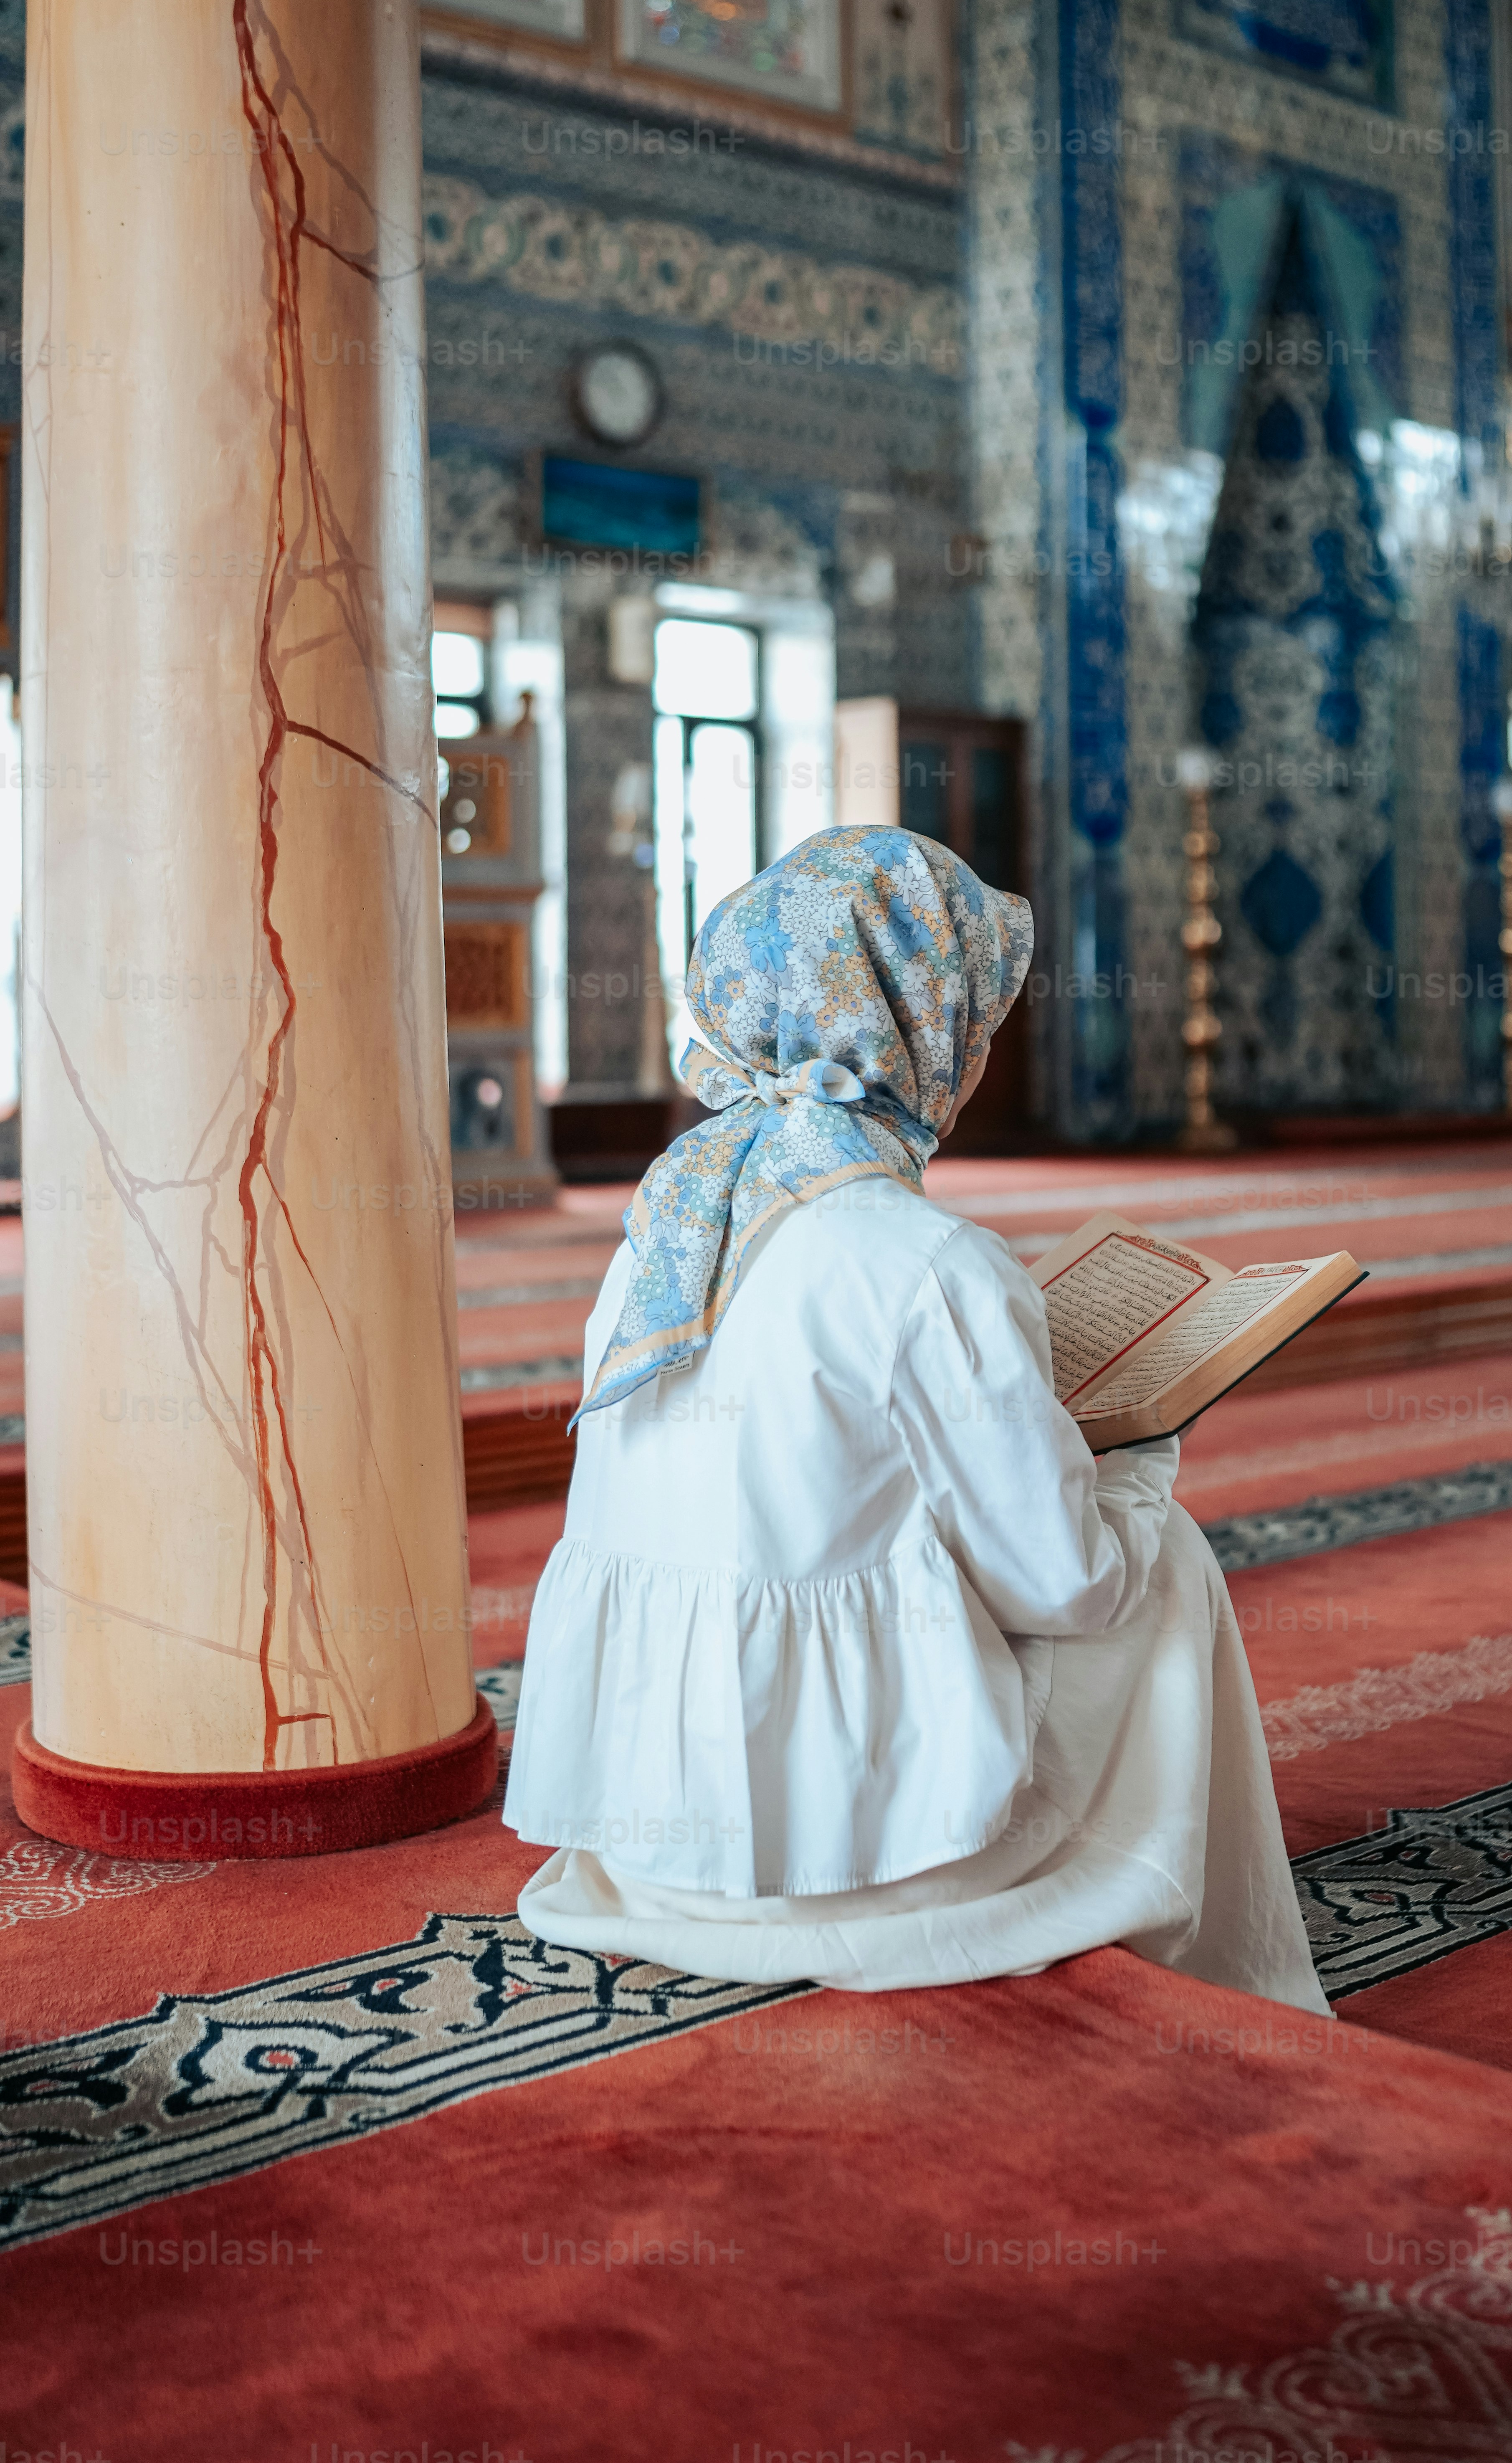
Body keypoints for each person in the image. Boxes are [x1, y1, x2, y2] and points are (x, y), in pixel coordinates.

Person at [505, 824, 1327, 2011]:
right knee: (1168, 1567)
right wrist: (1136, 1463)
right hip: (861, 1866)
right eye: (977, 1016)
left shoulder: (667, 1228)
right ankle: (1209, 1953)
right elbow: (1067, 1586)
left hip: (648, 1841)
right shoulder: (931, 1262)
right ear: (920, 1018)